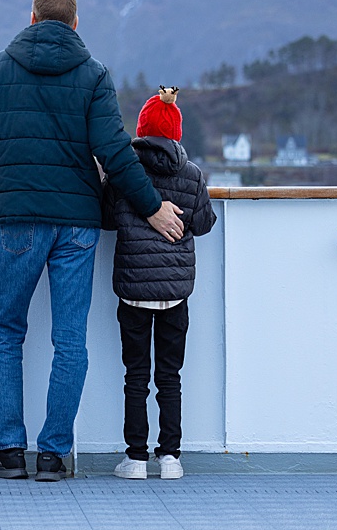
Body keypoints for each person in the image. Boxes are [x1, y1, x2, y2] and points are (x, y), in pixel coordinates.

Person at [0, 0, 184, 482]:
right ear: (75, 24)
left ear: (32, 17)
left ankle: (10, 451)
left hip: (18, 218)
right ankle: (54, 454)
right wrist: (152, 208)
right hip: (78, 223)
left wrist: (0, 187)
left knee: (5, 331)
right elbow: (116, 152)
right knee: (69, 339)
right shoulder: (94, 74)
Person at [104, 87, 216, 480]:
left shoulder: (125, 174)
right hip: (175, 293)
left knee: (136, 375)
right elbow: (202, 224)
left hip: (134, 291)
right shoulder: (192, 174)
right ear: (177, 132)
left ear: (141, 130)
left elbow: (106, 218)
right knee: (170, 376)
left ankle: (134, 458)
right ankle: (170, 457)